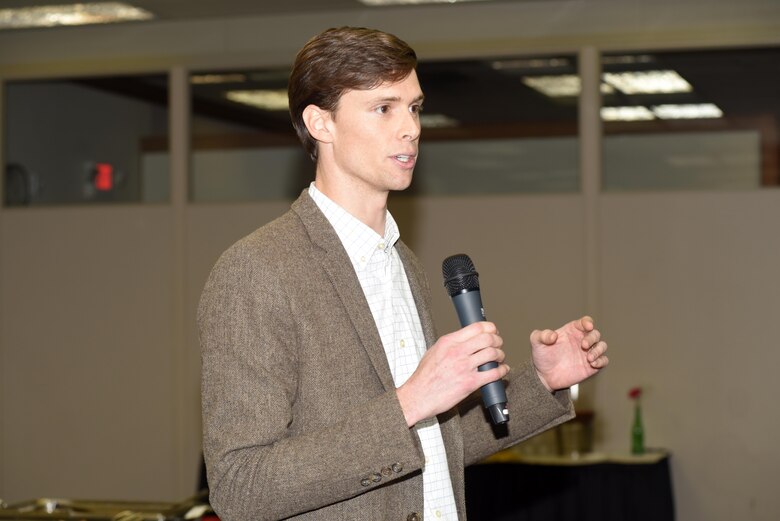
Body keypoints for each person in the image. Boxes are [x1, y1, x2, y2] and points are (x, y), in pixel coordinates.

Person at [198, 26, 609, 521]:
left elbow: (434, 448)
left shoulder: (403, 263)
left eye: (413, 107)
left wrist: (542, 383)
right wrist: (410, 403)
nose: (411, 128)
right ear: (320, 122)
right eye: (383, 108)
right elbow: (240, 487)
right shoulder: (258, 271)